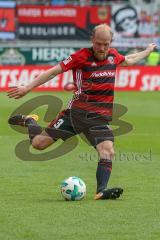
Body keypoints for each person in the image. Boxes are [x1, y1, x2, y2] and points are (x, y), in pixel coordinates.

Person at [7, 24, 157, 200]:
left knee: (107, 150)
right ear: (92, 40)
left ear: (111, 43)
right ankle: (30, 122)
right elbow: (53, 72)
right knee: (39, 144)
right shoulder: (80, 57)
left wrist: (147, 50)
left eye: (106, 44)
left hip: (99, 118)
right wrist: (27, 87)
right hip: (75, 114)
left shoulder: (113, 56)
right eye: (99, 43)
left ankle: (101, 191)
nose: (102, 48)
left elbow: (129, 59)